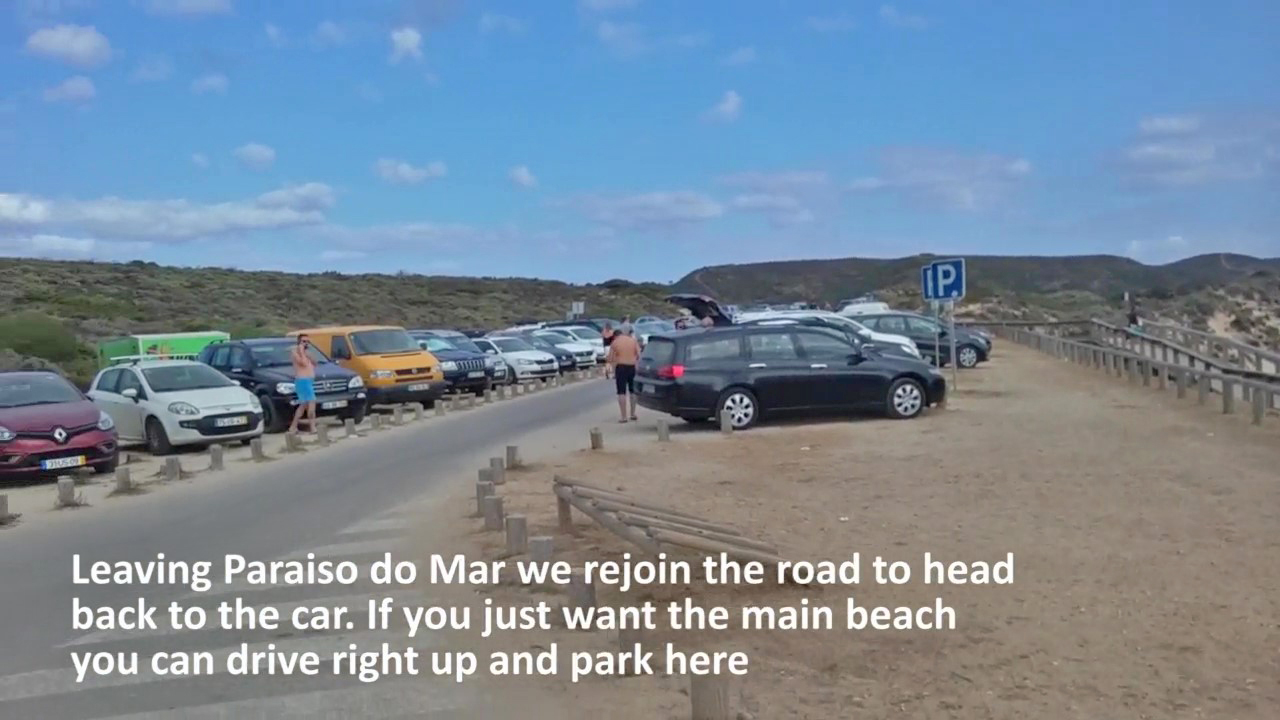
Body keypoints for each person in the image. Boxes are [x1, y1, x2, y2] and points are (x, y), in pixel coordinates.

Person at [606, 324, 641, 422]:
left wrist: (612, 368)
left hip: (621, 367)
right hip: (632, 367)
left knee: (621, 392)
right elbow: (639, 354)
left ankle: (623, 416)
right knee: (633, 391)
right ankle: (633, 413)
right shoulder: (633, 341)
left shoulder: (615, 343)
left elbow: (610, 358)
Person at [289, 334, 318, 434]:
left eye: (307, 342)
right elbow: (304, 363)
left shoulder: (307, 353)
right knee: (311, 403)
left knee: (303, 406)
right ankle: (313, 427)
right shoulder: (295, 353)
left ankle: (293, 427)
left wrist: (309, 354)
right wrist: (301, 352)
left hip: (308, 381)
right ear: (299, 342)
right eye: (303, 341)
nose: (306, 344)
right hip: (302, 381)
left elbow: (315, 363)